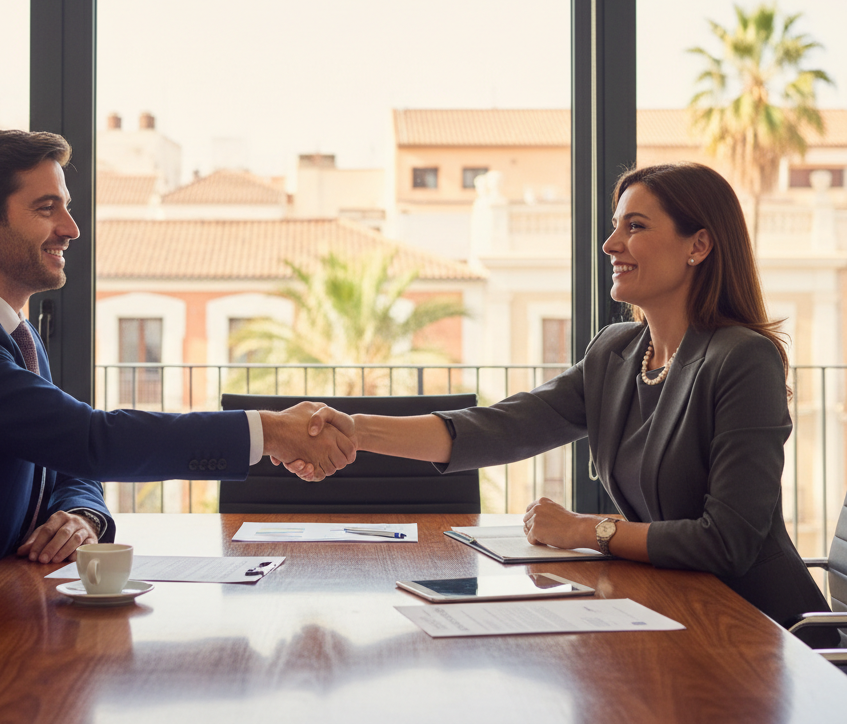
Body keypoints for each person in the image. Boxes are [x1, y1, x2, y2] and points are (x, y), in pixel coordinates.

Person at [0, 128, 355, 637]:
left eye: (66, 206)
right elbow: (91, 439)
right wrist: (268, 430)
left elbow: (67, 460)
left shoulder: (10, 332)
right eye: (46, 208)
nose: (71, 227)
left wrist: (82, 514)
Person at [293, 162, 830, 628]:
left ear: (700, 245)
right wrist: (354, 430)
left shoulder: (743, 359)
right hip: (672, 606)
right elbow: (503, 426)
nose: (610, 244)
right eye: (615, 226)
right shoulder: (617, 352)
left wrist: (586, 530)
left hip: (763, 632)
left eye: (635, 226)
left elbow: (727, 542)